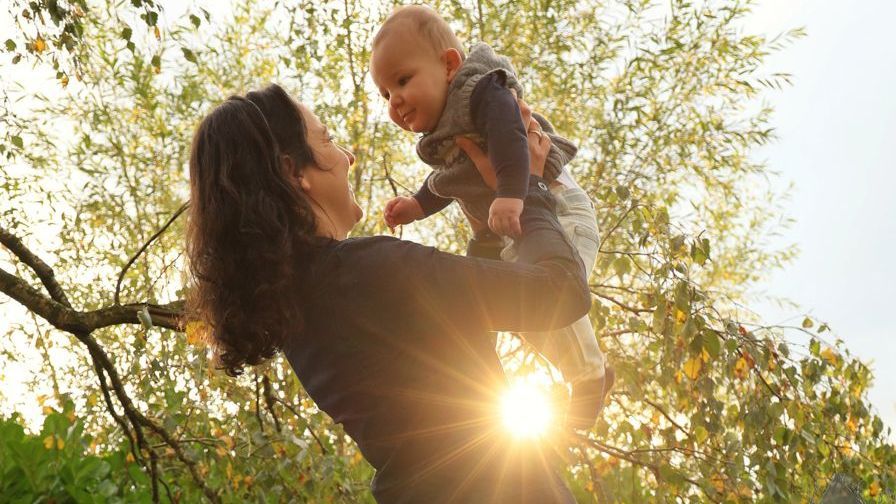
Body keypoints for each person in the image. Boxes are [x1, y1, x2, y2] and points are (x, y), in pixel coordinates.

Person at [186, 83, 589, 503]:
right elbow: (560, 292)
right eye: (326, 139)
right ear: (294, 173)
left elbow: (468, 319)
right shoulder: (369, 272)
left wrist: (491, 217)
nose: (347, 156)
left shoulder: (302, 315)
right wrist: (531, 189)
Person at [369, 4, 611, 429]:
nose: (395, 101)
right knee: (523, 311)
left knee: (551, 295)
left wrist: (513, 194)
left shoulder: (480, 91)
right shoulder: (444, 131)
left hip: (556, 208)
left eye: (403, 80)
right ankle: (586, 372)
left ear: (448, 65)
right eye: (386, 93)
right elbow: (449, 178)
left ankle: (590, 375)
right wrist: (416, 205)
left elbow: (510, 135)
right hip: (522, 231)